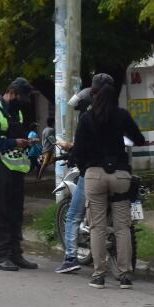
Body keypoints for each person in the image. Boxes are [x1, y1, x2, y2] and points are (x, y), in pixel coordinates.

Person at [71, 77, 146, 289]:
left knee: (97, 227)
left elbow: (78, 151)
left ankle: (98, 275)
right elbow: (139, 139)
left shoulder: (86, 118)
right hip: (121, 175)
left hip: (95, 176)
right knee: (123, 227)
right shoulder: (121, 115)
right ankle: (124, 275)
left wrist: (87, 169)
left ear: (94, 95)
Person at [55, 73, 115, 275]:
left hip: (92, 173)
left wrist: (73, 152)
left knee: (73, 215)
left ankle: (71, 257)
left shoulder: (88, 117)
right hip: (118, 172)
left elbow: (82, 148)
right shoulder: (118, 114)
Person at [0, 77, 37, 271]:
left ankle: (15, 253)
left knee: (15, 210)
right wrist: (14, 142)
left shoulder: (17, 113)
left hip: (15, 167)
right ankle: (0, 256)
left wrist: (27, 142)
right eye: (20, 98)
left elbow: (14, 136)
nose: (22, 102)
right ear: (12, 93)